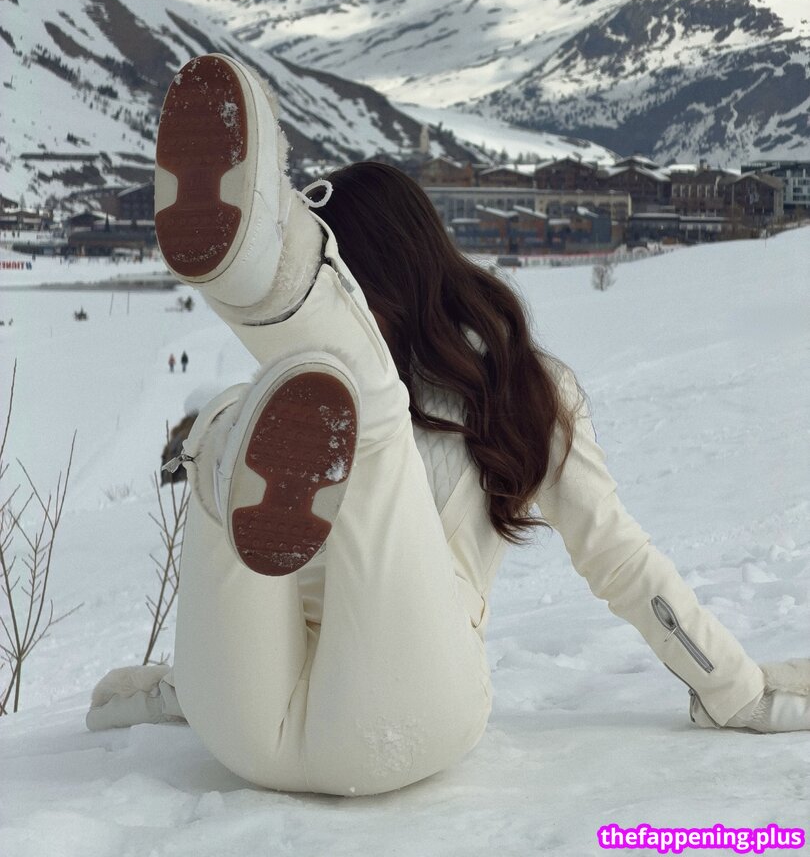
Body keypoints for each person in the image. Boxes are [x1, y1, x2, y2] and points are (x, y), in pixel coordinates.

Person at [86, 54, 810, 796]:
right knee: (242, 418)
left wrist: (735, 688)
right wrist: (186, 681)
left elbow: (619, 559)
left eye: (352, 292)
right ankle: (239, 354)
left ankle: (260, 277)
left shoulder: (522, 393)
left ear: (390, 275)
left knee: (363, 421)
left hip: (402, 709)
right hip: (249, 727)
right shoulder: (304, 403)